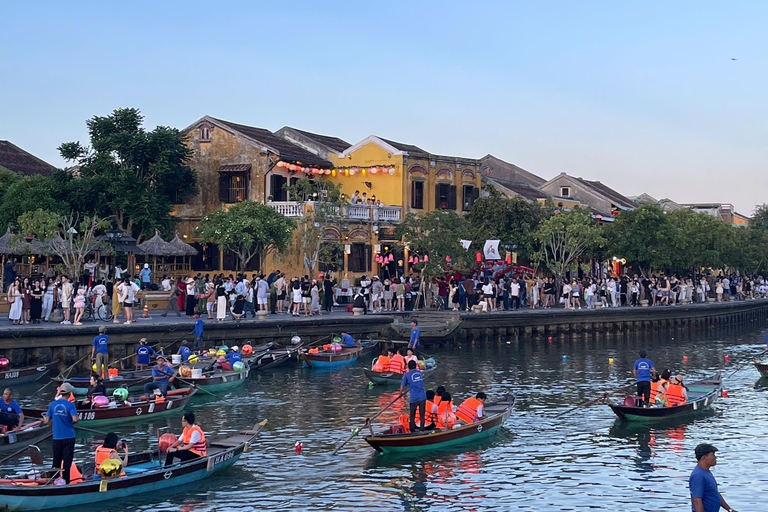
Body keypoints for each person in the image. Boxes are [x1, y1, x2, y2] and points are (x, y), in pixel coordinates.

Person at [43, 382, 78, 483]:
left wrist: (53, 426)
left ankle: (55, 481)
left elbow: (46, 420)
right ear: (69, 393)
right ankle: (66, 481)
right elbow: (75, 419)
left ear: (60, 392)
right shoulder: (71, 405)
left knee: (56, 460)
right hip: (69, 436)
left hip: (57, 437)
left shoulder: (52, 404)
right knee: (67, 462)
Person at [689, 444, 738, 512]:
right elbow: (697, 500)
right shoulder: (698, 475)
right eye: (713, 455)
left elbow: (714, 493)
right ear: (704, 458)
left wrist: (729, 510)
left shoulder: (706, 472)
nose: (715, 458)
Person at [400, 360, 427, 433]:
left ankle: (412, 430)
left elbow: (402, 386)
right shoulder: (419, 373)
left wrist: (400, 393)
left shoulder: (406, 375)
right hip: (422, 397)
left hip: (414, 398)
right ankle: (422, 429)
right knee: (422, 415)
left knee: (412, 415)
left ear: (408, 367)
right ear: (415, 366)